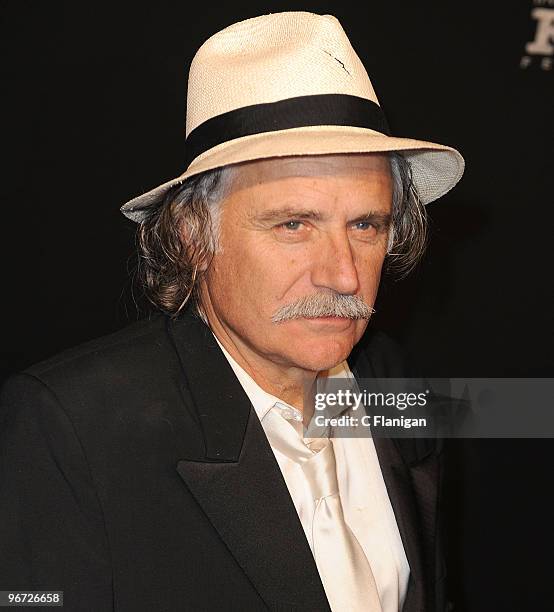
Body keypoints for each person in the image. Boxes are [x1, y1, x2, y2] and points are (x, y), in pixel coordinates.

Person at [0, 11, 464, 612]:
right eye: (294, 224)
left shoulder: (392, 383)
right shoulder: (68, 429)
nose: (344, 275)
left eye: (366, 225)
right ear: (194, 235)